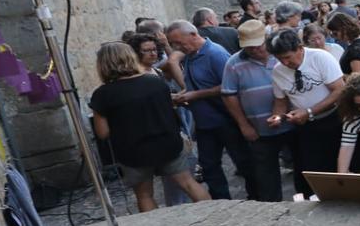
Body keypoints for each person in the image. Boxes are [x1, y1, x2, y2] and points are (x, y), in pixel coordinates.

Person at [89, 42, 209, 211]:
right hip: (168, 143)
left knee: (144, 195)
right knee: (189, 184)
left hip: (133, 151)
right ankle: (215, 216)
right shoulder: (155, 82)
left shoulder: (102, 94)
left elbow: (102, 133)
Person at [165, 20, 256, 200]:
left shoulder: (215, 54)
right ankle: (222, 204)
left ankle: (257, 199)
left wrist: (195, 95)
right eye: (173, 44)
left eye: (178, 42)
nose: (177, 47)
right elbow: (197, 84)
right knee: (209, 166)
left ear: (193, 35)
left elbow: (229, 86)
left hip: (225, 120)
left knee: (244, 163)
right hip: (206, 123)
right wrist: (183, 95)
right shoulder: (191, 55)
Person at [218, 19, 294, 201]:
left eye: (257, 46)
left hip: (292, 124)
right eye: (249, 47)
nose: (253, 50)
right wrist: (244, 125)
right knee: (266, 178)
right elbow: (229, 95)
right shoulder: (234, 62)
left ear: (266, 39)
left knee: (301, 169)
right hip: (259, 130)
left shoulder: (281, 53)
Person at [267, 29, 346, 196]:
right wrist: (277, 116)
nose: (285, 62)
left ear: (299, 48)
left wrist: (310, 111)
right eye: (280, 59)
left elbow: (338, 90)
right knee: (308, 167)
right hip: (304, 126)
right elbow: (280, 100)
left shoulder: (320, 58)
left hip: (332, 119)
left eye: (288, 57)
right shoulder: (278, 71)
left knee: (334, 163)